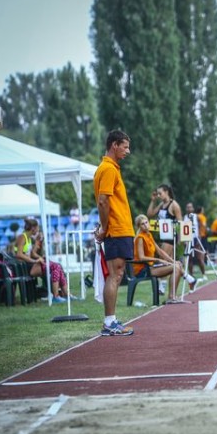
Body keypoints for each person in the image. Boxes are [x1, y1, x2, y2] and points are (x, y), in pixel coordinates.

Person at [94, 129, 135, 336]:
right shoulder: (108, 169)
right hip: (117, 229)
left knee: (116, 275)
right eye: (125, 146)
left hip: (118, 229)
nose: (128, 151)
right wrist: (105, 228)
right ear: (114, 145)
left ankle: (111, 321)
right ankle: (109, 323)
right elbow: (103, 201)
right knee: (115, 275)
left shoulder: (110, 168)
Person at [133, 214, 195, 302]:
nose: (146, 225)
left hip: (150, 267)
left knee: (176, 264)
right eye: (143, 224)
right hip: (142, 270)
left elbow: (160, 251)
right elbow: (141, 257)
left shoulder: (148, 235)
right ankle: (173, 295)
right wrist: (158, 260)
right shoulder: (140, 238)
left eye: (146, 222)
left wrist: (173, 261)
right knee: (176, 267)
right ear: (139, 226)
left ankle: (173, 295)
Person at [14, 218, 70, 303]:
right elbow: (19, 254)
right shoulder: (22, 237)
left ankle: (67, 295)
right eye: (38, 228)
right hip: (25, 267)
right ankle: (56, 296)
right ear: (33, 228)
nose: (38, 230)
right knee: (56, 266)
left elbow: (32, 253)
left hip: (30, 264)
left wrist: (39, 245)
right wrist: (34, 261)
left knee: (57, 266)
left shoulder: (28, 238)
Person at [147, 184, 182, 256]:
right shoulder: (162, 204)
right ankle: (179, 267)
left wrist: (179, 239)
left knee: (163, 260)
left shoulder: (174, 205)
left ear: (166, 192)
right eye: (158, 194)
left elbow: (180, 223)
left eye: (160, 193)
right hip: (162, 235)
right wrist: (153, 201)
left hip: (170, 236)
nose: (158, 196)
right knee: (169, 263)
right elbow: (150, 215)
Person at [184, 203, 207, 281]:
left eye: (190, 207)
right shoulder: (185, 218)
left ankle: (204, 274)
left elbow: (201, 226)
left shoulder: (196, 216)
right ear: (186, 209)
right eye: (187, 207)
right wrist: (184, 240)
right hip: (188, 239)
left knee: (199, 257)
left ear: (193, 208)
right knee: (189, 258)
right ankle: (191, 276)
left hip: (196, 238)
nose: (189, 209)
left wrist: (200, 236)